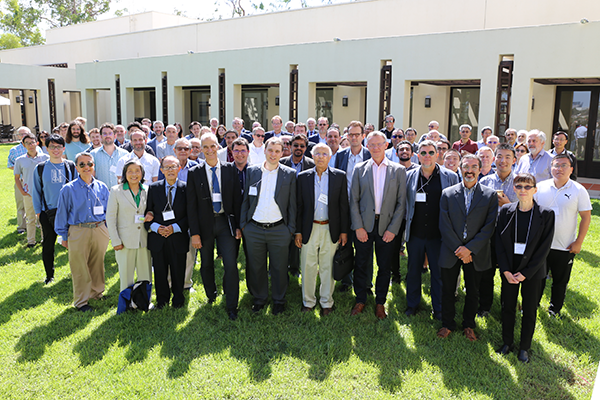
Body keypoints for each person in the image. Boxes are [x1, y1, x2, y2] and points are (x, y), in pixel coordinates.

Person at [437, 154, 498, 341]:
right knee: (448, 290)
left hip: (475, 252)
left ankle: (469, 325)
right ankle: (447, 323)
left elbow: (489, 226)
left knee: (473, 291)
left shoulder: (489, 195)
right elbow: (444, 224)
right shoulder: (447, 193)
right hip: (451, 249)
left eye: (474, 166)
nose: (469, 170)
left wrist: (469, 249)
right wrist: (459, 248)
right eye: (466, 166)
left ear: (480, 170)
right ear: (460, 169)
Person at [495, 173, 554, 363]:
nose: (523, 190)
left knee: (529, 309)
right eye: (519, 186)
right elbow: (499, 243)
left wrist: (526, 273)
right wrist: (505, 270)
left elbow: (544, 249)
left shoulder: (546, 214)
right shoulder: (506, 211)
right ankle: (507, 342)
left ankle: (524, 347)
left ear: (535, 190)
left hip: (533, 272)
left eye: (527, 187)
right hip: (509, 270)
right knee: (507, 307)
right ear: (514, 189)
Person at [349, 131, 406, 319]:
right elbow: (354, 200)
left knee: (384, 266)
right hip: (364, 226)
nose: (374, 148)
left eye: (378, 144)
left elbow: (401, 203)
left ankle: (380, 302)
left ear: (386, 145)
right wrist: (358, 226)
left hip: (387, 227)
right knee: (361, 263)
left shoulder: (398, 170)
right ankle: (361, 298)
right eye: (371, 145)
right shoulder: (360, 168)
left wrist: (393, 229)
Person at [187, 133, 243, 320]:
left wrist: (237, 226)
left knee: (230, 264)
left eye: (212, 146)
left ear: (218, 147)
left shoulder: (230, 169)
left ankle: (232, 305)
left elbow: (237, 200)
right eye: (205, 147)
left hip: (225, 224)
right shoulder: (194, 172)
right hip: (205, 225)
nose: (210, 150)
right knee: (207, 263)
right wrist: (194, 233)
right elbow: (191, 206)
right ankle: (211, 294)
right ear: (201, 150)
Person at [240, 137, 297, 315]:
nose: (273, 154)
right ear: (264, 151)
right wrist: (244, 225)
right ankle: (260, 298)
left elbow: (293, 205)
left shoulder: (289, 174)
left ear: (282, 153)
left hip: (279, 229)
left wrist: (290, 230)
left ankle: (279, 299)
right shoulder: (252, 171)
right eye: (270, 150)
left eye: (277, 151)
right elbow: (245, 200)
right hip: (254, 228)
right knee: (256, 266)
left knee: (279, 266)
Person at [404, 140, 458, 320]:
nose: (427, 156)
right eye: (423, 153)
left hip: (439, 235)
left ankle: (439, 308)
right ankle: (412, 305)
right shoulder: (409, 176)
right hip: (416, 234)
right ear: (417, 155)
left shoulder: (450, 176)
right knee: (413, 271)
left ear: (438, 155)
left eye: (431, 152)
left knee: (438, 273)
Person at [535, 154, 591, 319]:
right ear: (550, 168)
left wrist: (578, 242)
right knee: (537, 279)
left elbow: (586, 217)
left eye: (564, 165)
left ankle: (554, 310)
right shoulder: (540, 187)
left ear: (571, 169)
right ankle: (532, 304)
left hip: (565, 246)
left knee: (560, 281)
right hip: (540, 245)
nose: (559, 169)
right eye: (556, 165)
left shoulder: (579, 190)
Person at [296, 143, 349, 315]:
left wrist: (343, 231)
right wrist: (297, 231)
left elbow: (343, 206)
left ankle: (327, 302)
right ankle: (308, 302)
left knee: (327, 266)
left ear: (330, 156)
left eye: (324, 154)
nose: (320, 156)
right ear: (312, 156)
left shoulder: (339, 177)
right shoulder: (303, 177)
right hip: (309, 228)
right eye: (317, 153)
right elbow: (299, 206)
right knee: (308, 265)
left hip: (330, 228)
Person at [55, 152, 110, 312]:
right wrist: (63, 236)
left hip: (100, 229)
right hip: (79, 231)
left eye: (90, 164)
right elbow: (62, 214)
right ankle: (81, 301)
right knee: (79, 267)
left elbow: (108, 210)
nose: (87, 167)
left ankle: (97, 293)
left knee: (97, 263)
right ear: (76, 167)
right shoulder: (68, 189)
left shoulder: (102, 187)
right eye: (82, 164)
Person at [478, 143, 518, 317]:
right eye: (500, 156)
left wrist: (508, 205)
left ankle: (507, 309)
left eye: (508, 157)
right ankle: (484, 307)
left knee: (507, 273)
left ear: (514, 160)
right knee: (486, 273)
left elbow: (527, 210)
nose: (503, 160)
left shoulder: (520, 182)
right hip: (489, 233)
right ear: (494, 159)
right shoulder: (485, 181)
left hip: (511, 235)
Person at [145, 156, 189, 309]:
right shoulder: (153, 188)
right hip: (158, 238)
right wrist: (157, 228)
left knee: (178, 270)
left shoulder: (186, 188)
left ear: (179, 168)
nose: (170, 170)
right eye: (167, 167)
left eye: (173, 166)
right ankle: (162, 300)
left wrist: (174, 228)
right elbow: (148, 212)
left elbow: (190, 215)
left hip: (178, 236)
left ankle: (178, 300)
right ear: (162, 170)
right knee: (160, 270)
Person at [32, 135, 77, 284]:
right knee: (48, 244)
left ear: (63, 148)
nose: (55, 150)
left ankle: (76, 273)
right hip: (48, 212)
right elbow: (36, 191)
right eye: (52, 146)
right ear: (46, 148)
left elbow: (77, 189)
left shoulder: (70, 166)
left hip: (69, 212)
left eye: (58, 147)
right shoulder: (40, 168)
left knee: (73, 244)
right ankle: (49, 275)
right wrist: (39, 211)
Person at [106, 160, 152, 294]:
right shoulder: (116, 191)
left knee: (145, 274)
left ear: (142, 173)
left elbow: (152, 210)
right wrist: (115, 241)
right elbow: (110, 218)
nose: (134, 174)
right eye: (130, 171)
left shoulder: (147, 190)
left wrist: (151, 213)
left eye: (137, 171)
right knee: (126, 275)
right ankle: (126, 304)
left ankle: (144, 302)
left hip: (144, 239)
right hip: (124, 242)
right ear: (124, 173)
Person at [14, 132, 50, 247]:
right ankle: (31, 241)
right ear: (24, 145)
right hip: (29, 194)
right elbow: (17, 178)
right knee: (30, 218)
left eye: (32, 142)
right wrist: (22, 192)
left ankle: (45, 240)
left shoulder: (45, 158)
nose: (30, 145)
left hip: (43, 194)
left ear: (37, 143)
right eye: (27, 143)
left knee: (43, 218)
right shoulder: (20, 160)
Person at [91, 123, 128, 189]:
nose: (107, 136)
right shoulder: (93, 154)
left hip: (120, 193)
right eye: (104, 133)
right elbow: (91, 176)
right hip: (101, 193)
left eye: (110, 133)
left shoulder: (125, 154)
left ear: (115, 136)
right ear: (100, 136)